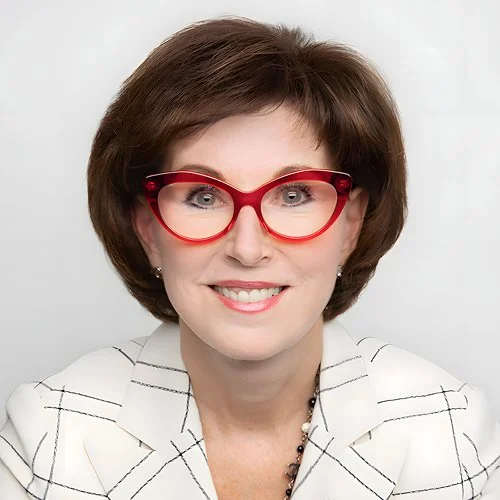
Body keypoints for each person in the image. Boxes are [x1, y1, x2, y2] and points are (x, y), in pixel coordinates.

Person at [1, 16, 498, 500]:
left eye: (294, 195)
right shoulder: (50, 437)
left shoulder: (450, 432)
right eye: (202, 196)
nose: (247, 248)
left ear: (351, 225)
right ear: (148, 229)